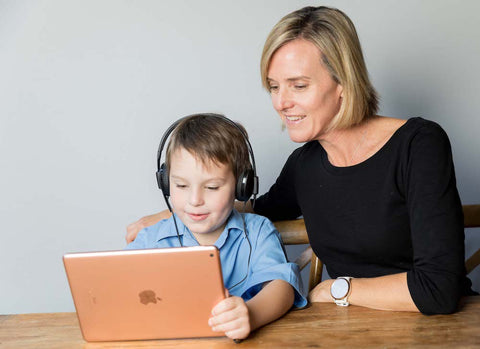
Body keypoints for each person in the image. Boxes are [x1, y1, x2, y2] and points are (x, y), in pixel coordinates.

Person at [127, 6, 474, 315]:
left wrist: (341, 288)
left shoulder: (419, 144)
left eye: (298, 85)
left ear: (343, 83)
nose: (280, 102)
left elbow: (439, 290)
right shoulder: (304, 164)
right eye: (274, 86)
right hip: (353, 326)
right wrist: (175, 214)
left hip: (434, 327)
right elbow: (255, 209)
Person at [126, 113, 306, 340]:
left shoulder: (259, 232)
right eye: (181, 185)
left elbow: (282, 287)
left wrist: (250, 314)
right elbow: (121, 292)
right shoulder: (150, 239)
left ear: (242, 187)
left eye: (211, 187)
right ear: (165, 182)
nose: (194, 200)